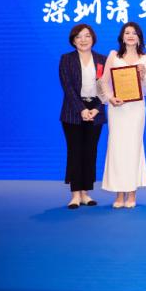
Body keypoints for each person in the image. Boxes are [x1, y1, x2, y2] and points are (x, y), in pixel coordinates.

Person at [99, 22, 146, 208]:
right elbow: (103, 82)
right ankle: (119, 194)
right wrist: (110, 98)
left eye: (134, 33)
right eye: (127, 33)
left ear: (139, 37)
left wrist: (144, 76)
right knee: (117, 148)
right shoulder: (113, 56)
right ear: (122, 37)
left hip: (136, 109)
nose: (131, 36)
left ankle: (132, 193)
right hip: (117, 109)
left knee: (133, 148)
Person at [59, 24, 107, 209]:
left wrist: (97, 108)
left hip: (95, 110)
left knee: (90, 151)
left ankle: (86, 193)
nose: (83, 40)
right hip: (73, 111)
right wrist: (81, 109)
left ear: (93, 38)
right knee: (75, 151)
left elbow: (105, 88)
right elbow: (68, 87)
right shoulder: (67, 59)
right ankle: (75, 194)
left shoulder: (102, 60)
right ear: (73, 41)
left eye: (87, 36)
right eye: (78, 37)